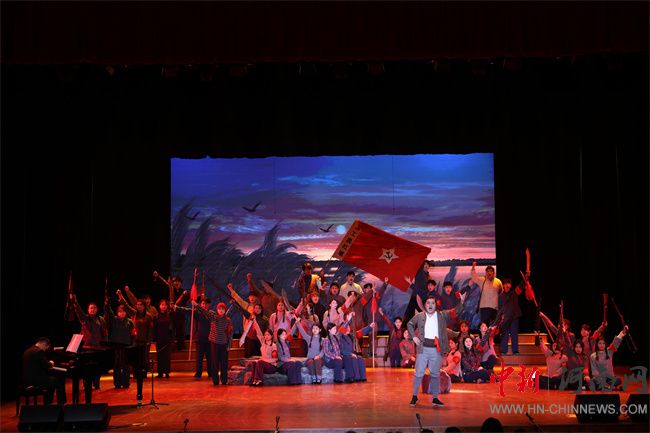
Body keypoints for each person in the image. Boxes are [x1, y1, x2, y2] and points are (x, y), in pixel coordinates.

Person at [407, 292, 466, 407]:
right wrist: (413, 337)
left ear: (435, 305)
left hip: (436, 349)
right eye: (428, 303)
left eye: (432, 303)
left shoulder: (442, 315)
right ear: (425, 305)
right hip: (423, 348)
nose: (430, 305)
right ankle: (414, 396)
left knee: (435, 374)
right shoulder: (420, 316)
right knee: (419, 373)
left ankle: (435, 398)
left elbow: (455, 312)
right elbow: (410, 324)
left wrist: (462, 302)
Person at [193, 299, 233, 386]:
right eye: (219, 309)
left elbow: (230, 334)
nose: (221, 311)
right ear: (217, 310)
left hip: (224, 344)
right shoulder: (214, 317)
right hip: (215, 343)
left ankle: (224, 380)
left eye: (223, 309)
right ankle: (215, 380)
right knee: (215, 363)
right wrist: (196, 305)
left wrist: (229, 345)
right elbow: (205, 312)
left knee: (224, 363)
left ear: (225, 310)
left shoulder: (228, 320)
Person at [71, 293, 107, 389]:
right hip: (87, 347)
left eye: (94, 308)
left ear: (97, 309)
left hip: (98, 348)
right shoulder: (85, 318)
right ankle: (87, 384)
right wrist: (75, 301)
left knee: (97, 367)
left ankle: (96, 384)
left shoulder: (101, 319)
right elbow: (78, 311)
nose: (93, 309)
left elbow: (104, 333)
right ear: (88, 310)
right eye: (91, 308)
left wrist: (105, 345)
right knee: (87, 368)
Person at [22, 337, 66, 405]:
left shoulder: (27, 351)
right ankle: (61, 405)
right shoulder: (39, 351)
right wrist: (51, 362)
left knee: (51, 382)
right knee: (59, 381)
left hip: (27, 380)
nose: (45, 350)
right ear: (43, 344)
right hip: (36, 381)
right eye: (46, 348)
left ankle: (48, 404)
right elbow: (47, 366)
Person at [104, 300, 135, 388]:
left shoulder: (130, 322)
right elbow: (109, 313)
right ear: (117, 313)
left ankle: (126, 383)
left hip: (126, 346)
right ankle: (117, 383)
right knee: (117, 366)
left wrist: (132, 345)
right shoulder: (114, 320)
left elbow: (133, 334)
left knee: (126, 366)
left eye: (123, 312)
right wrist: (107, 305)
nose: (122, 313)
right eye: (120, 312)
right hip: (116, 347)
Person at [590, 326, 628, 390]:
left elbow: (615, 343)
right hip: (600, 378)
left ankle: (605, 386)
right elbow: (594, 370)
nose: (601, 345)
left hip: (609, 377)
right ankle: (611, 387)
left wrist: (622, 333)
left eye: (603, 343)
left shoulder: (609, 351)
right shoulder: (593, 356)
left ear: (605, 344)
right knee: (593, 381)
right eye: (600, 343)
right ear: (597, 344)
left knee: (618, 380)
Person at [498, 278, 522, 355]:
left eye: (509, 283)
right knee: (504, 335)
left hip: (514, 318)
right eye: (505, 284)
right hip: (505, 319)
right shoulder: (500, 296)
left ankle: (515, 350)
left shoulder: (514, 293)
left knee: (514, 334)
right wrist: (500, 317)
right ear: (503, 285)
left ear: (511, 285)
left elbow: (521, 286)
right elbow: (499, 308)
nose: (507, 285)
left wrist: (526, 277)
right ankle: (503, 350)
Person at [153, 299, 173, 378]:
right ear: (159, 306)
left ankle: (167, 372)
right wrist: (154, 339)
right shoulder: (156, 316)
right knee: (160, 356)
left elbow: (172, 328)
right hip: (159, 339)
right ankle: (160, 372)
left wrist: (171, 338)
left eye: (165, 305)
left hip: (167, 338)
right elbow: (154, 329)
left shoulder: (170, 315)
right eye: (162, 305)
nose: (163, 306)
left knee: (167, 356)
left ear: (167, 306)